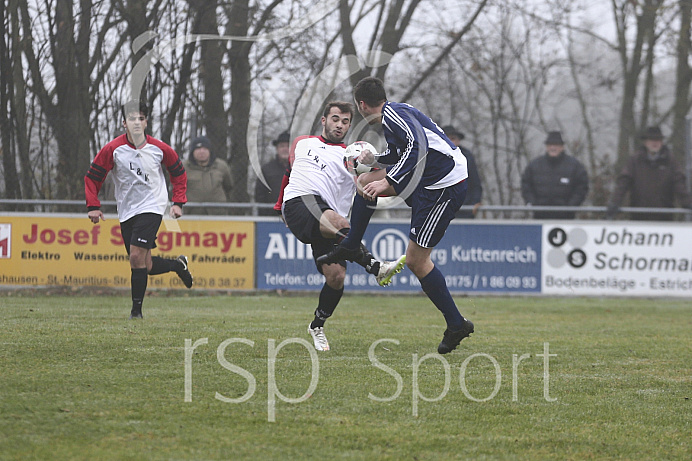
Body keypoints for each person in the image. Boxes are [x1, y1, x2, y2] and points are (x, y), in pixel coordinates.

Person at [317, 77, 474, 355]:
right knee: (366, 181)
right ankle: (352, 243)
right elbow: (403, 150)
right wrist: (376, 160)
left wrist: (388, 182)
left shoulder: (394, 116)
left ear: (361, 104)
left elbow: (417, 147)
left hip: (444, 187)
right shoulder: (395, 114)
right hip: (430, 180)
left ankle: (456, 323)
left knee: (417, 261)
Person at [274, 101, 406, 352]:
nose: (340, 125)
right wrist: (279, 205)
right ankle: (376, 266)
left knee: (336, 277)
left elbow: (375, 181)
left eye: (345, 121)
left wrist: (374, 165)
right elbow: (289, 173)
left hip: (327, 214)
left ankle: (317, 326)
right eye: (335, 119)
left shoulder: (352, 157)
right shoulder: (303, 142)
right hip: (299, 202)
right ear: (324, 120)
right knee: (340, 224)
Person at [84, 100, 193, 319]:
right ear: (124, 123)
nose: (136, 123)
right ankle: (177, 265)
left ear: (146, 122)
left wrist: (178, 202)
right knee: (146, 264)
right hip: (127, 211)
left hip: (153, 207)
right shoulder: (113, 149)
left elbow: (179, 174)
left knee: (135, 257)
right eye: (132, 119)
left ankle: (136, 313)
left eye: (140, 119)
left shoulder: (160, 149)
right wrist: (93, 206)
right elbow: (93, 178)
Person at [607, 126, 692, 221]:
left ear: (662, 142)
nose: (655, 143)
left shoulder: (670, 162)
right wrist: (615, 203)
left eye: (658, 140)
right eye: (652, 139)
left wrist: (688, 203)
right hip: (638, 217)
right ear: (645, 142)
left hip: (665, 218)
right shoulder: (635, 161)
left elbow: (679, 185)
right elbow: (623, 183)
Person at [521, 131, 589, 219]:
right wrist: (532, 204)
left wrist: (571, 206)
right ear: (546, 147)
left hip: (566, 218)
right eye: (550, 145)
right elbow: (526, 185)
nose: (553, 148)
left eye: (556, 145)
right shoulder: (534, 165)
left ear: (562, 147)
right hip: (539, 217)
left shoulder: (575, 166)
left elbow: (581, 187)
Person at [183, 136, 233, 215]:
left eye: (205, 148)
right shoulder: (182, 168)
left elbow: (228, 187)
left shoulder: (222, 166)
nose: (201, 152)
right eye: (198, 149)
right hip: (190, 216)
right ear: (192, 151)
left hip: (217, 215)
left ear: (210, 151)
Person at [443, 125, 483, 218]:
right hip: (440, 210)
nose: (450, 141)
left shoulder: (467, 157)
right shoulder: (433, 157)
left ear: (458, 141)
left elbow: (475, 183)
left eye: (453, 138)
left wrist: (475, 202)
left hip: (464, 208)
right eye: (446, 138)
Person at [255, 131, 291, 215]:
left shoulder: (301, 170)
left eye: (288, 146)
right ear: (277, 149)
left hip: (295, 217)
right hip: (271, 217)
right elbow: (260, 196)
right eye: (282, 146)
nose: (285, 149)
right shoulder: (267, 170)